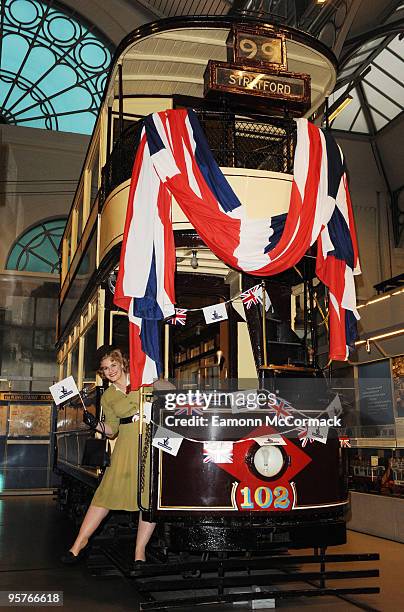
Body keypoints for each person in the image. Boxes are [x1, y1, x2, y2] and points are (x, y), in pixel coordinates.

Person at [61, 345, 155, 565]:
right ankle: (78, 545)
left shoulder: (144, 379)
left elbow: (170, 395)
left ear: (122, 362)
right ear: (102, 372)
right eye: (105, 368)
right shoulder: (109, 396)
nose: (110, 370)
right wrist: (96, 424)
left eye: (113, 365)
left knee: (149, 498)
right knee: (104, 495)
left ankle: (139, 552)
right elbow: (113, 429)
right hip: (126, 448)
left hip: (151, 445)